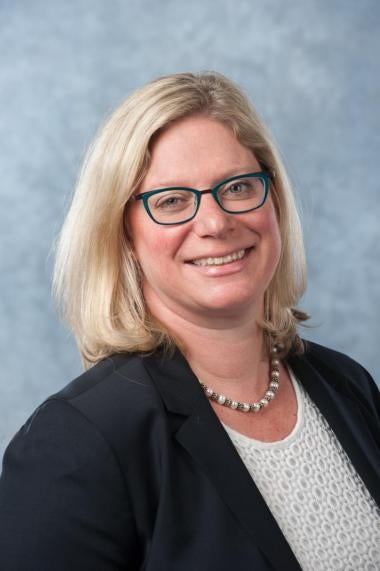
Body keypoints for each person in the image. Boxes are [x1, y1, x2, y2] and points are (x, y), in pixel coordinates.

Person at [0, 72, 379, 571]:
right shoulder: (78, 441)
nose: (217, 223)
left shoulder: (345, 385)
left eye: (239, 187)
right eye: (172, 201)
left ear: (275, 202)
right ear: (124, 236)